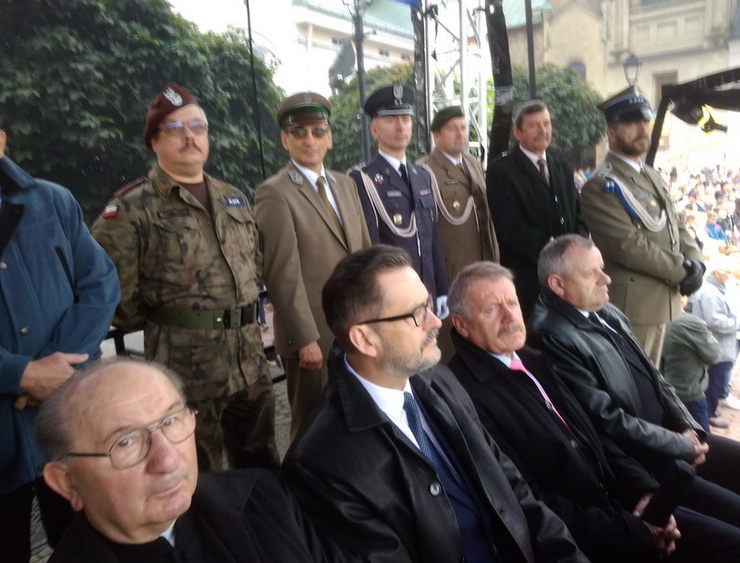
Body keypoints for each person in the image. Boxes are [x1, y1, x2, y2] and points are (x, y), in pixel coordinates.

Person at [283, 245, 587, 562]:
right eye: (416, 314)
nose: (436, 322)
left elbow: (513, 489)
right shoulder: (320, 463)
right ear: (365, 339)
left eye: (428, 305)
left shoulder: (439, 379)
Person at [447, 260, 740, 562]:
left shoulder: (530, 359)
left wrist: (643, 491)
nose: (510, 316)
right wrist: (633, 531)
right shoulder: (466, 396)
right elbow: (527, 504)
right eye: (491, 309)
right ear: (462, 325)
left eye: (512, 303)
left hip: (624, 501)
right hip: (591, 536)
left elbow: (595, 437)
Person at [90, 83, 278, 472]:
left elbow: (252, 265)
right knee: (197, 474)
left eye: (198, 126)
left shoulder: (232, 197)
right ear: (154, 141)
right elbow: (117, 298)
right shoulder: (131, 209)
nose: (190, 136)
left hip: (250, 360)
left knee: (261, 465)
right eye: (175, 128)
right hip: (185, 370)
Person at [36, 358, 338, 562]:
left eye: (170, 421)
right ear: (67, 482)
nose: (167, 460)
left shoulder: (264, 496)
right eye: (125, 442)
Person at [0, 96, 120, 562]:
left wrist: (56, 371)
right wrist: (19, 374)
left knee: (87, 544)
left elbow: (100, 284)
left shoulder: (52, 201)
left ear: (0, 141)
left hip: (68, 419)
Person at [529, 235, 740, 504]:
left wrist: (688, 426)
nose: (606, 279)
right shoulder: (551, 335)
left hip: (671, 438)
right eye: (591, 274)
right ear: (557, 285)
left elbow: (655, 377)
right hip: (645, 462)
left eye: (602, 269)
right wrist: (679, 445)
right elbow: (606, 420)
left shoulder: (606, 311)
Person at [255, 92, 370, 438]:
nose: (310, 140)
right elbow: (281, 275)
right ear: (285, 140)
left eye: (318, 132)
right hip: (314, 337)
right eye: (299, 132)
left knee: (357, 420)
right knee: (312, 428)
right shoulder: (274, 193)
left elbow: (365, 254)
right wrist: (305, 339)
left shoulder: (345, 184)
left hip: (356, 327)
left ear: (329, 138)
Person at [580, 88, 704, 365]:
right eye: (631, 122)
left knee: (657, 383)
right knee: (637, 386)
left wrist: (696, 260)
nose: (642, 129)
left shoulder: (650, 174)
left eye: (645, 121)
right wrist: (682, 271)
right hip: (633, 309)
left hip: (664, 303)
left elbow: (675, 224)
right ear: (611, 133)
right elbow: (627, 246)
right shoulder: (601, 184)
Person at [349, 83, 450, 318]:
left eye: (405, 119)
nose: (400, 126)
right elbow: (371, 244)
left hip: (427, 290)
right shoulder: (364, 178)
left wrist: (442, 288)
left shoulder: (422, 175)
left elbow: (432, 238)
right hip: (394, 294)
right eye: (391, 120)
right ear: (374, 130)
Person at [486, 99, 587, 318]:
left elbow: (578, 214)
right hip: (530, 280)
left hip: (569, 274)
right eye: (533, 125)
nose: (543, 130)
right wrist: (555, 252)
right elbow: (510, 229)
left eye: (546, 124)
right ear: (517, 132)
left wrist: (576, 247)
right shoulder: (501, 171)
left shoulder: (561, 165)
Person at [418, 105, 500, 360]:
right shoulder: (425, 170)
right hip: (452, 270)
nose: (460, 134)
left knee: (482, 331)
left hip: (482, 263)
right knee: (453, 341)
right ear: (436, 135)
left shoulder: (473, 164)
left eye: (463, 128)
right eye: (453, 129)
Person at [691, 256, 740, 429]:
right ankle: (708, 414)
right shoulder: (710, 292)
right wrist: (737, 323)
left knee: (714, 380)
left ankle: (709, 410)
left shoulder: (716, 289)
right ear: (717, 273)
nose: (730, 275)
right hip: (715, 344)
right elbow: (715, 321)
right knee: (713, 382)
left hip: (718, 344)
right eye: (727, 272)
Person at [661, 296, 720, 433]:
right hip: (687, 393)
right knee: (701, 438)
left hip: (662, 390)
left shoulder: (652, 319)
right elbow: (714, 355)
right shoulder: (690, 323)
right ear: (682, 299)